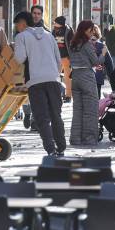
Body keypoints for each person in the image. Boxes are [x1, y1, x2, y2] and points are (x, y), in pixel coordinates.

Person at [12, 11, 67, 156]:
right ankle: (61, 147)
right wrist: (55, 74)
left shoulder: (21, 36)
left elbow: (20, 58)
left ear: (22, 23)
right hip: (53, 79)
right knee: (56, 115)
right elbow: (58, 59)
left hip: (35, 81)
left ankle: (50, 149)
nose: (16, 28)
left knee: (42, 118)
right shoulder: (49, 35)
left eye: (17, 25)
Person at [67, 20, 103, 147]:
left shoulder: (72, 44)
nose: (92, 32)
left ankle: (75, 139)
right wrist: (103, 54)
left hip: (75, 77)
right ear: (85, 30)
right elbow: (96, 61)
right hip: (87, 77)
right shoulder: (86, 44)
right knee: (91, 110)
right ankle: (89, 139)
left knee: (77, 110)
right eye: (90, 30)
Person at [51, 16, 73, 102]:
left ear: (60, 23)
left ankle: (68, 96)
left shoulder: (68, 30)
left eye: (55, 22)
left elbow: (72, 44)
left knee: (67, 77)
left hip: (66, 57)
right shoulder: (53, 31)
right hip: (56, 57)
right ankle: (56, 94)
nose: (54, 24)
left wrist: (72, 57)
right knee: (55, 76)